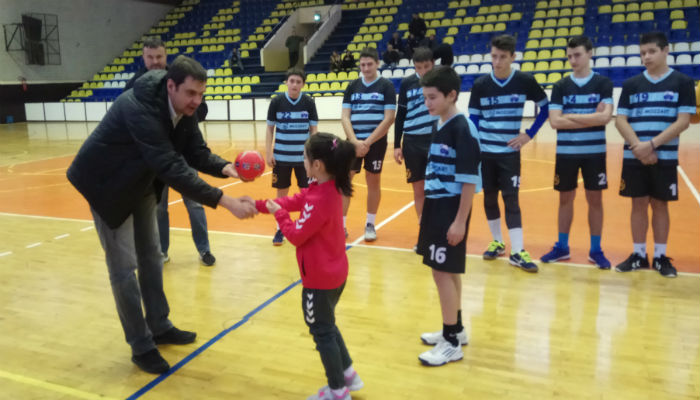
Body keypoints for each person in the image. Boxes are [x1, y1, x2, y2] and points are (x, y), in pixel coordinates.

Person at [66, 55, 257, 374]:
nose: (197, 101)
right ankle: (141, 345)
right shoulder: (138, 107)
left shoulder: (186, 109)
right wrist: (225, 200)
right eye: (191, 93)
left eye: (201, 94)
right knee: (124, 269)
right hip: (105, 187)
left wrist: (227, 168)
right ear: (171, 86)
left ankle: (159, 325)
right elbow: (170, 166)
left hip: (140, 182)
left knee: (152, 257)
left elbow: (195, 151)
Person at [255, 133, 363, 400]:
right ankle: (348, 375)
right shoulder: (326, 187)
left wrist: (278, 214)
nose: (302, 161)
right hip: (335, 273)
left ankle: (337, 391)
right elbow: (295, 200)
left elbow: (295, 235)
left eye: (304, 157)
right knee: (328, 324)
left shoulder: (319, 200)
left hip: (320, 280)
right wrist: (260, 205)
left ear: (317, 165)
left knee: (321, 331)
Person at [125, 37, 214, 266]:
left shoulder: (180, 77)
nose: (155, 61)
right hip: (155, 160)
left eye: (159, 56)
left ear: (166, 56)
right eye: (150, 57)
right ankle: (162, 251)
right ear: (143, 57)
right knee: (159, 208)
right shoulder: (135, 85)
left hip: (184, 154)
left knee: (195, 202)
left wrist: (185, 115)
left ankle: (204, 249)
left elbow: (202, 108)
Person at [614, 31, 696, 278]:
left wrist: (651, 145)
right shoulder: (631, 84)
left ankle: (660, 256)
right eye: (642, 53)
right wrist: (638, 147)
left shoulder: (682, 82)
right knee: (637, 204)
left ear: (665, 51)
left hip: (664, 156)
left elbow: (683, 121)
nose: (646, 57)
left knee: (660, 205)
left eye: (651, 51)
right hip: (634, 156)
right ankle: (638, 254)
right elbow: (620, 120)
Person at [416, 66, 481, 366]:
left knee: (441, 272)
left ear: (451, 95)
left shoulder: (462, 129)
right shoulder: (440, 123)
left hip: (450, 208)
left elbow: (469, 181)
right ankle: (456, 329)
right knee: (448, 270)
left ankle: (451, 343)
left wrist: (459, 221)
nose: (427, 103)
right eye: (425, 97)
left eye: (432, 97)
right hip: (436, 205)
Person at [468, 34, 549, 273]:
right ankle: (497, 242)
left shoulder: (524, 81)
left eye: (503, 57)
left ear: (513, 57)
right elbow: (474, 119)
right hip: (485, 153)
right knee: (489, 198)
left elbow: (546, 108)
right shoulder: (481, 84)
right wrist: (473, 148)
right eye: (494, 56)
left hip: (509, 154)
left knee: (511, 200)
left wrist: (529, 134)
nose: (497, 62)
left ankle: (518, 251)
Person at [540, 35, 614, 268]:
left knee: (595, 200)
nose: (573, 60)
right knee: (565, 199)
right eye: (569, 56)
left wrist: (569, 115)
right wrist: (592, 117)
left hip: (595, 152)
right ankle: (562, 247)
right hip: (566, 152)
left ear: (590, 53)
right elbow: (555, 122)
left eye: (577, 55)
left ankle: (596, 250)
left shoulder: (603, 83)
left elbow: (605, 118)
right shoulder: (560, 86)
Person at [341, 47, 396, 241]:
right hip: (352, 142)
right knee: (345, 182)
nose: (365, 68)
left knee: (373, 182)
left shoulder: (386, 86)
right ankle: (341, 225)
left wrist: (368, 142)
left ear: (377, 64)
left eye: (369, 64)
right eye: (362, 65)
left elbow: (389, 118)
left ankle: (370, 224)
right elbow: (345, 117)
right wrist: (355, 142)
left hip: (376, 143)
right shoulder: (352, 86)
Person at [266, 68, 319, 245]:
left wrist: (313, 155)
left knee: (308, 194)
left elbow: (313, 130)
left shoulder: (309, 102)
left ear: (303, 84)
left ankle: (306, 228)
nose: (294, 84)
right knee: (281, 195)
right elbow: (270, 129)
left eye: (298, 82)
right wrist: (268, 152)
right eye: (291, 81)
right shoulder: (276, 102)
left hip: (304, 160)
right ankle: (280, 229)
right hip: (281, 157)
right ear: (286, 82)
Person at [393, 48, 438, 246]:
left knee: (436, 187)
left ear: (433, 64)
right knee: (418, 189)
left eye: (426, 67)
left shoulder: (441, 80)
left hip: (435, 139)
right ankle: (424, 233)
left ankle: (438, 231)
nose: (423, 72)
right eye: (418, 68)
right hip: (412, 141)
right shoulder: (407, 83)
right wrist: (396, 144)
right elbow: (401, 115)